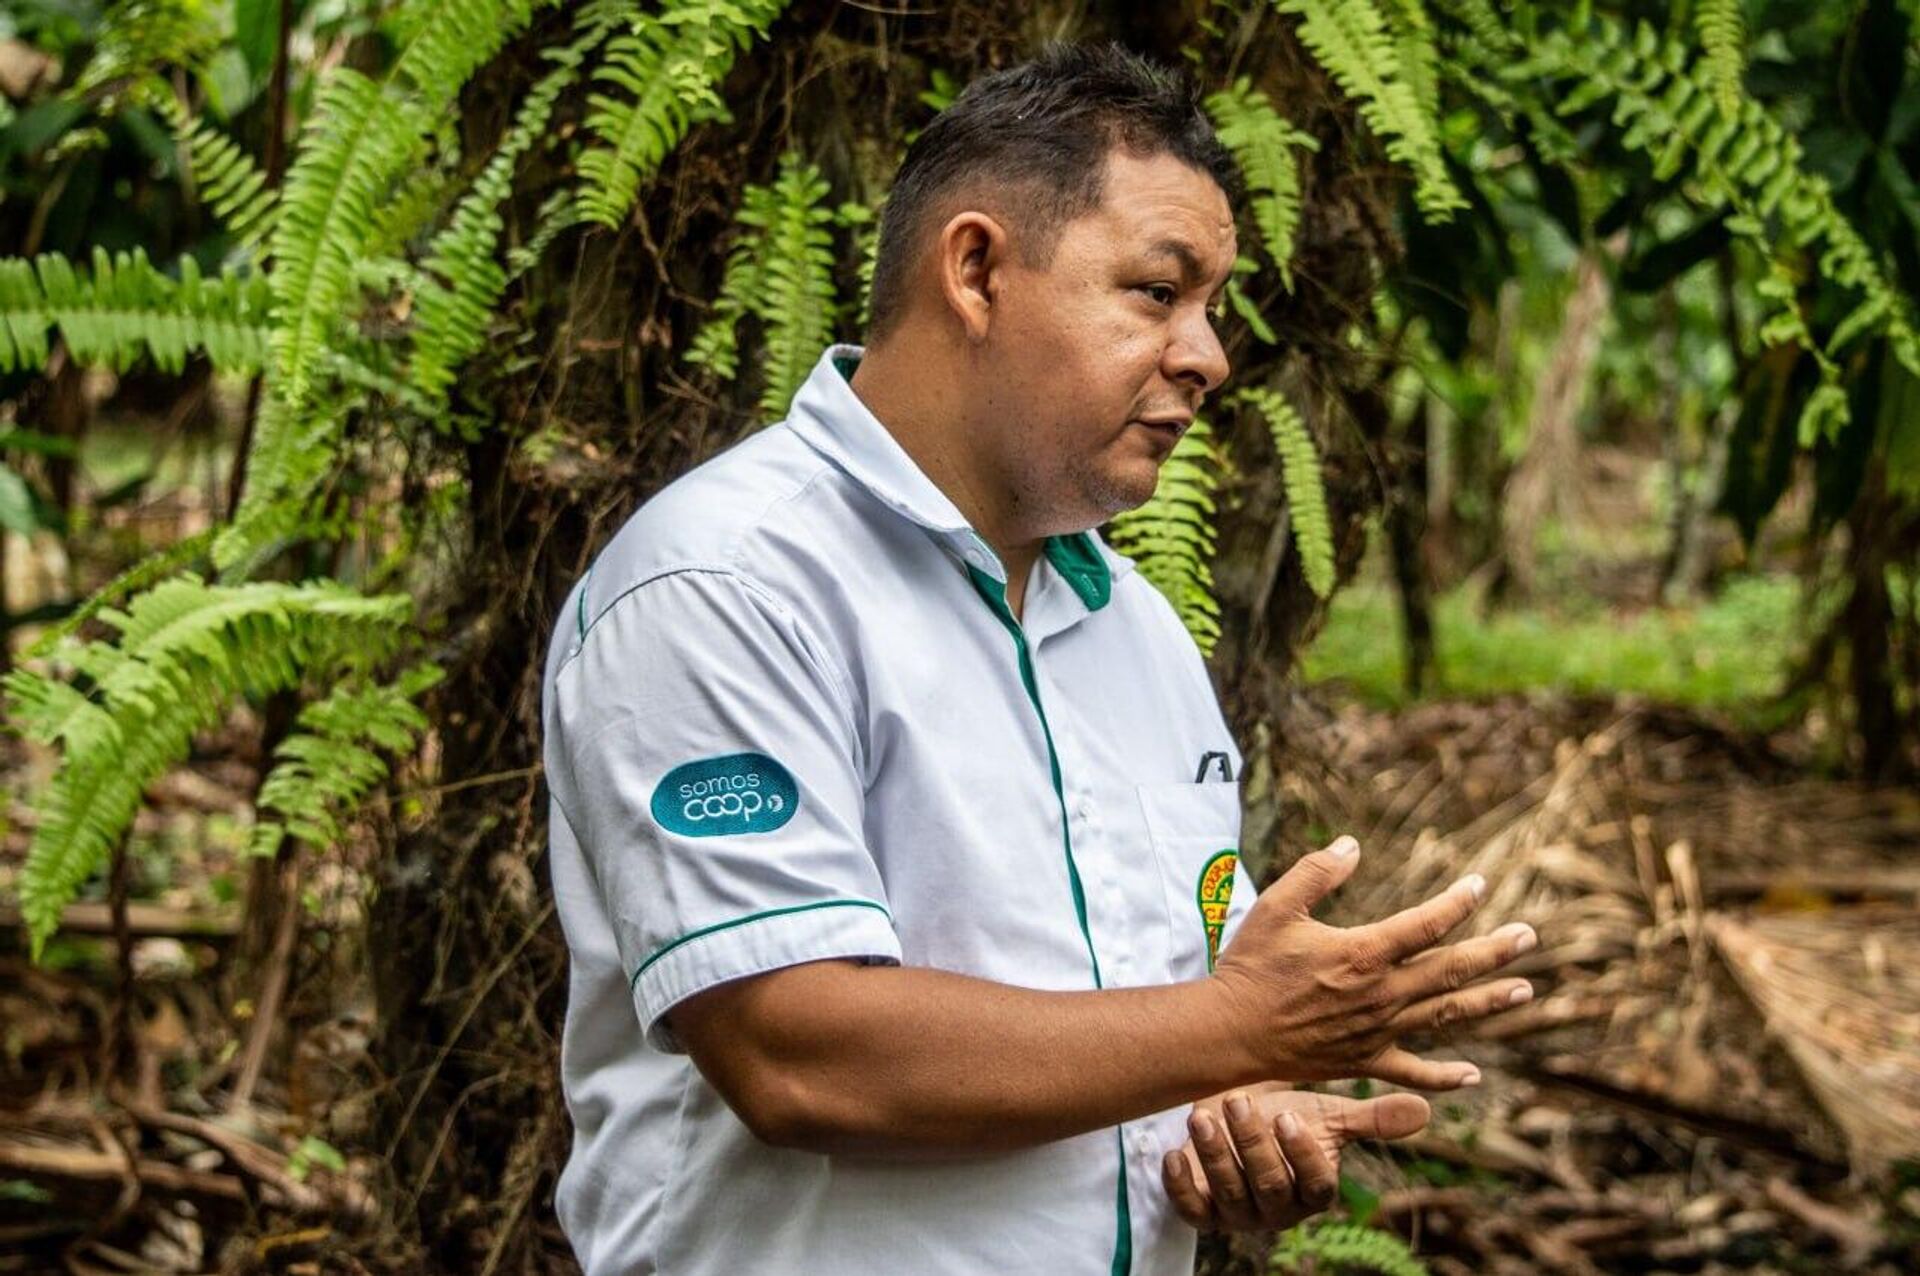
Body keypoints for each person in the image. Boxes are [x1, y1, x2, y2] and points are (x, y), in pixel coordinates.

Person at [540, 41, 1537, 1276]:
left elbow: (1179, 1020)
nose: (1209, 356)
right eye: (1158, 292)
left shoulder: (1141, 634)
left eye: (1212, 308)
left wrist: (1242, 1113)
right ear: (975, 271)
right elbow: (794, 1048)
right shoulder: (727, 584)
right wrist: (1238, 1028)